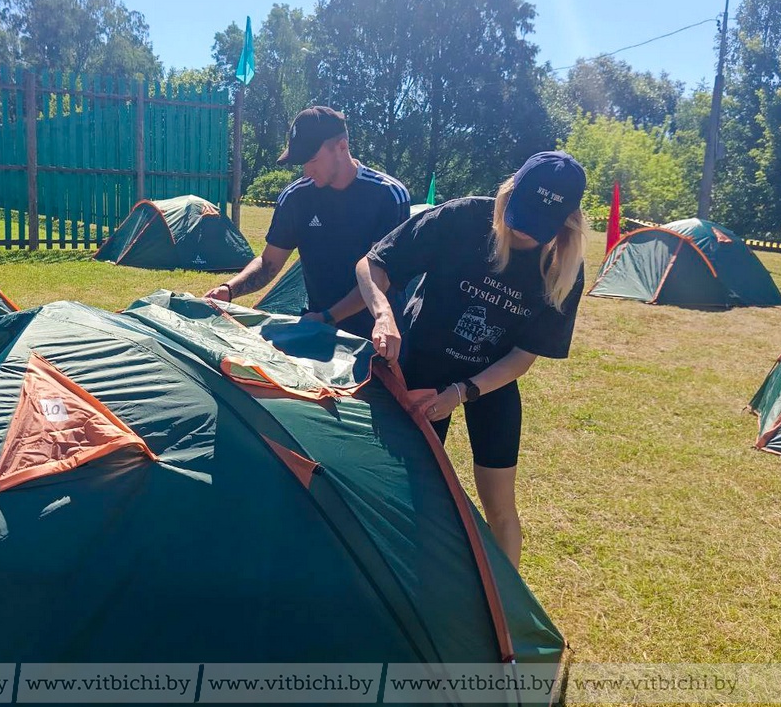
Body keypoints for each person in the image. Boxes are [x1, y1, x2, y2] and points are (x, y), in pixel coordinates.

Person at [355, 151, 587, 568]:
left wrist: (462, 392)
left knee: (501, 507)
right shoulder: (460, 219)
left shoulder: (563, 268)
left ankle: (508, 614)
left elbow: (522, 357)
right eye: (520, 215)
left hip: (490, 379)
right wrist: (384, 314)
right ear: (508, 194)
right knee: (410, 491)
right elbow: (372, 265)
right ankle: (404, 581)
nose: (524, 233)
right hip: (422, 365)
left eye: (540, 226)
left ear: (567, 222)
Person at [204, 106, 410, 338]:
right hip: (318, 329)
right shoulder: (295, 197)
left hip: (379, 334)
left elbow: (379, 275)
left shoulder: (388, 194)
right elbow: (268, 262)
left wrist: (330, 316)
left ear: (342, 147)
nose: (306, 170)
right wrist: (228, 290)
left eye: (312, 160)